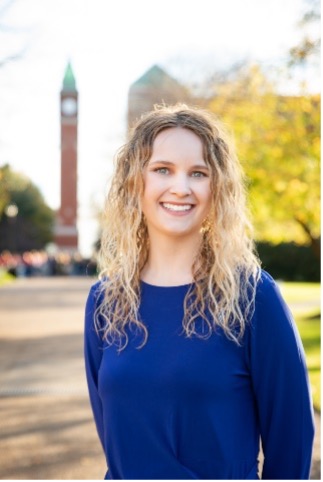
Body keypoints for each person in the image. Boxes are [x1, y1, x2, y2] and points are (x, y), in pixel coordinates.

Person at [84, 103, 314, 480]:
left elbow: (292, 443)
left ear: (217, 187)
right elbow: (113, 440)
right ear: (135, 182)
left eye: (198, 173)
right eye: (162, 170)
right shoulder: (104, 301)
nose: (181, 187)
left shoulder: (253, 298)